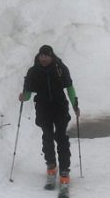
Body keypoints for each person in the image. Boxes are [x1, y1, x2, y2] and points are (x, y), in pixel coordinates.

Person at [19, 44, 80, 189]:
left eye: (46, 56)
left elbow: (70, 87)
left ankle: (64, 170)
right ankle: (51, 166)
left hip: (59, 107)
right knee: (47, 136)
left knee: (61, 137)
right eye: (42, 56)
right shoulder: (33, 72)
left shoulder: (60, 69)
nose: (44, 58)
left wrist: (75, 105)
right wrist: (23, 97)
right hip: (43, 107)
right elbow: (28, 93)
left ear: (51, 56)